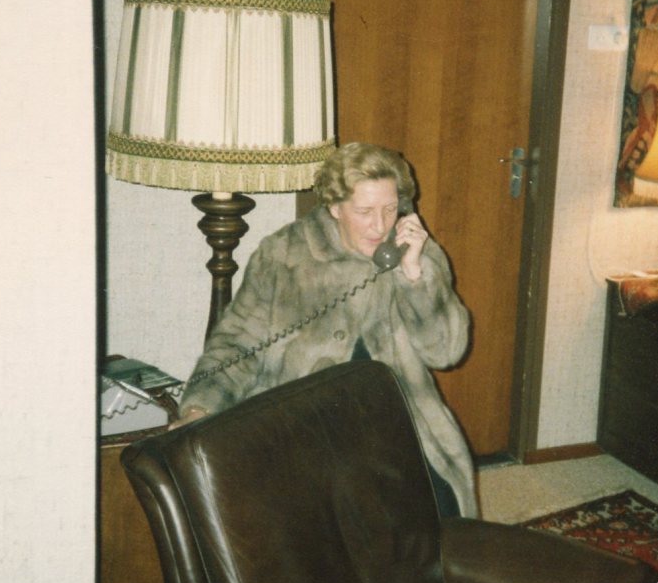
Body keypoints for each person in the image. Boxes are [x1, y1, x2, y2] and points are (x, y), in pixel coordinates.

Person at [174, 141, 476, 517]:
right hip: (301, 424)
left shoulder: (414, 252)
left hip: (397, 421)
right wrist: (201, 406)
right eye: (364, 211)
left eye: (389, 209)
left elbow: (447, 352)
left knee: (435, 512)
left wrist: (415, 276)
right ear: (334, 207)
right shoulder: (283, 254)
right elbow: (237, 342)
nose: (380, 225)